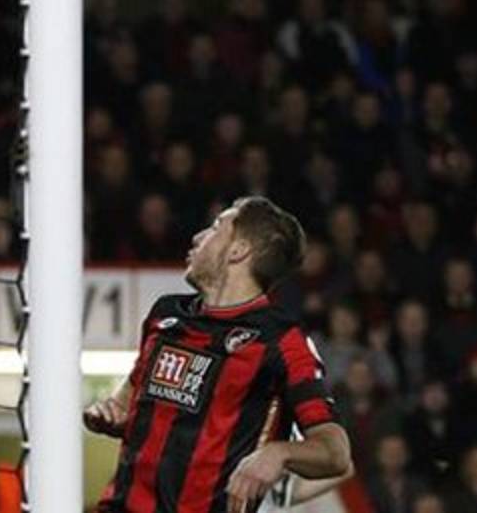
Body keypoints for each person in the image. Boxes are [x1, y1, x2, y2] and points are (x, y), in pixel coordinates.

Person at [84, 196, 352, 513]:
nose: (198, 238)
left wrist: (279, 453)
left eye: (214, 228)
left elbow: (336, 453)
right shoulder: (166, 314)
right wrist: (110, 413)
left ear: (238, 251)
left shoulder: (282, 341)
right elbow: (127, 401)